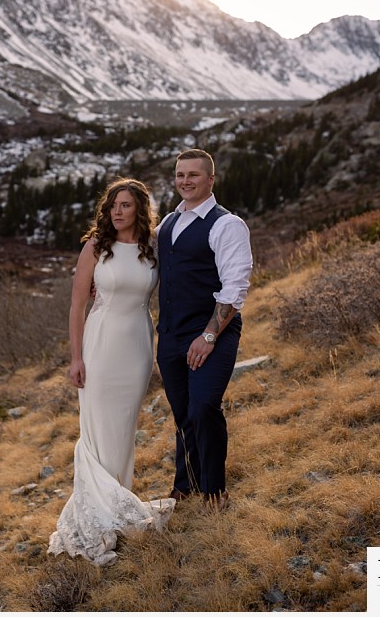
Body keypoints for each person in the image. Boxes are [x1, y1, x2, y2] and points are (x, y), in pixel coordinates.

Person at [48, 178, 175, 566]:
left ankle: (116, 507)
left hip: (136, 346)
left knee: (122, 431)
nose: (117, 212)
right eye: (113, 205)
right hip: (100, 345)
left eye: (125, 205)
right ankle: (98, 516)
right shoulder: (95, 247)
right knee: (98, 431)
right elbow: (76, 306)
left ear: (140, 209)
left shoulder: (151, 248)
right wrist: (76, 358)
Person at [155, 148, 253, 513]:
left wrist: (209, 336)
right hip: (170, 335)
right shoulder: (167, 223)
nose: (185, 181)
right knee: (182, 413)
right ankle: (185, 485)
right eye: (180, 175)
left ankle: (215, 491)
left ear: (211, 179)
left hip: (212, 331)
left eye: (193, 175)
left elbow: (235, 288)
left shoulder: (227, 225)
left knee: (204, 406)